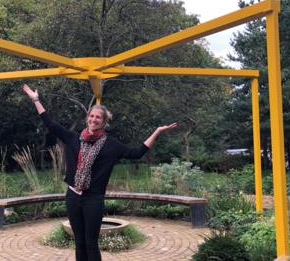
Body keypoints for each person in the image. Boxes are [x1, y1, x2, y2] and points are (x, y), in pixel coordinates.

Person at [22, 84, 178, 261]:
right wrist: (36, 100)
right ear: (87, 118)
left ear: (104, 122)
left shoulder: (112, 145)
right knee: (79, 242)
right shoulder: (73, 138)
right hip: (73, 196)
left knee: (91, 243)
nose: (94, 119)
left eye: (98, 117)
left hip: (93, 199)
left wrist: (157, 132)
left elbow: (137, 153)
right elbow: (50, 123)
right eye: (92, 116)